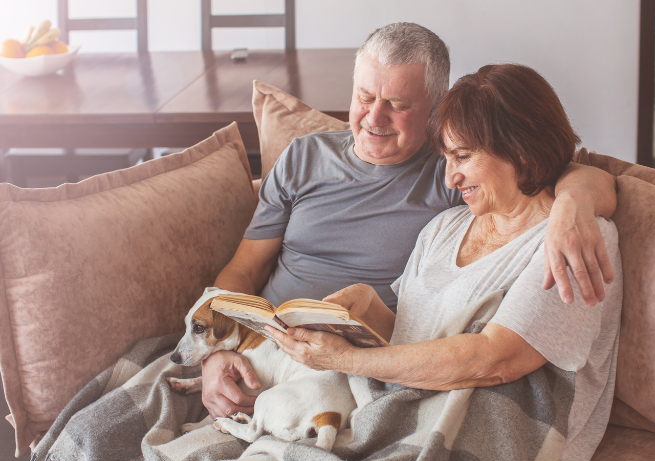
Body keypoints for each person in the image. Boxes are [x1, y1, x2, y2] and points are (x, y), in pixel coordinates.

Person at [201, 23, 617, 420]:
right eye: (365, 97)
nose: (374, 118)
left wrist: (573, 205)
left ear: (435, 111)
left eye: (398, 106)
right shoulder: (303, 157)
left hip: (343, 372)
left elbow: (554, 167)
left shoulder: (450, 174)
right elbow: (244, 269)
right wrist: (215, 351)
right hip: (258, 348)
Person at [265, 63, 623, 461]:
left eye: (463, 157)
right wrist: (368, 310)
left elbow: (496, 360)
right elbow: (415, 338)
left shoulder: (576, 236)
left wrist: (341, 358)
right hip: (403, 410)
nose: (451, 178)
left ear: (521, 148)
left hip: (483, 434)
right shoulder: (443, 228)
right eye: (447, 158)